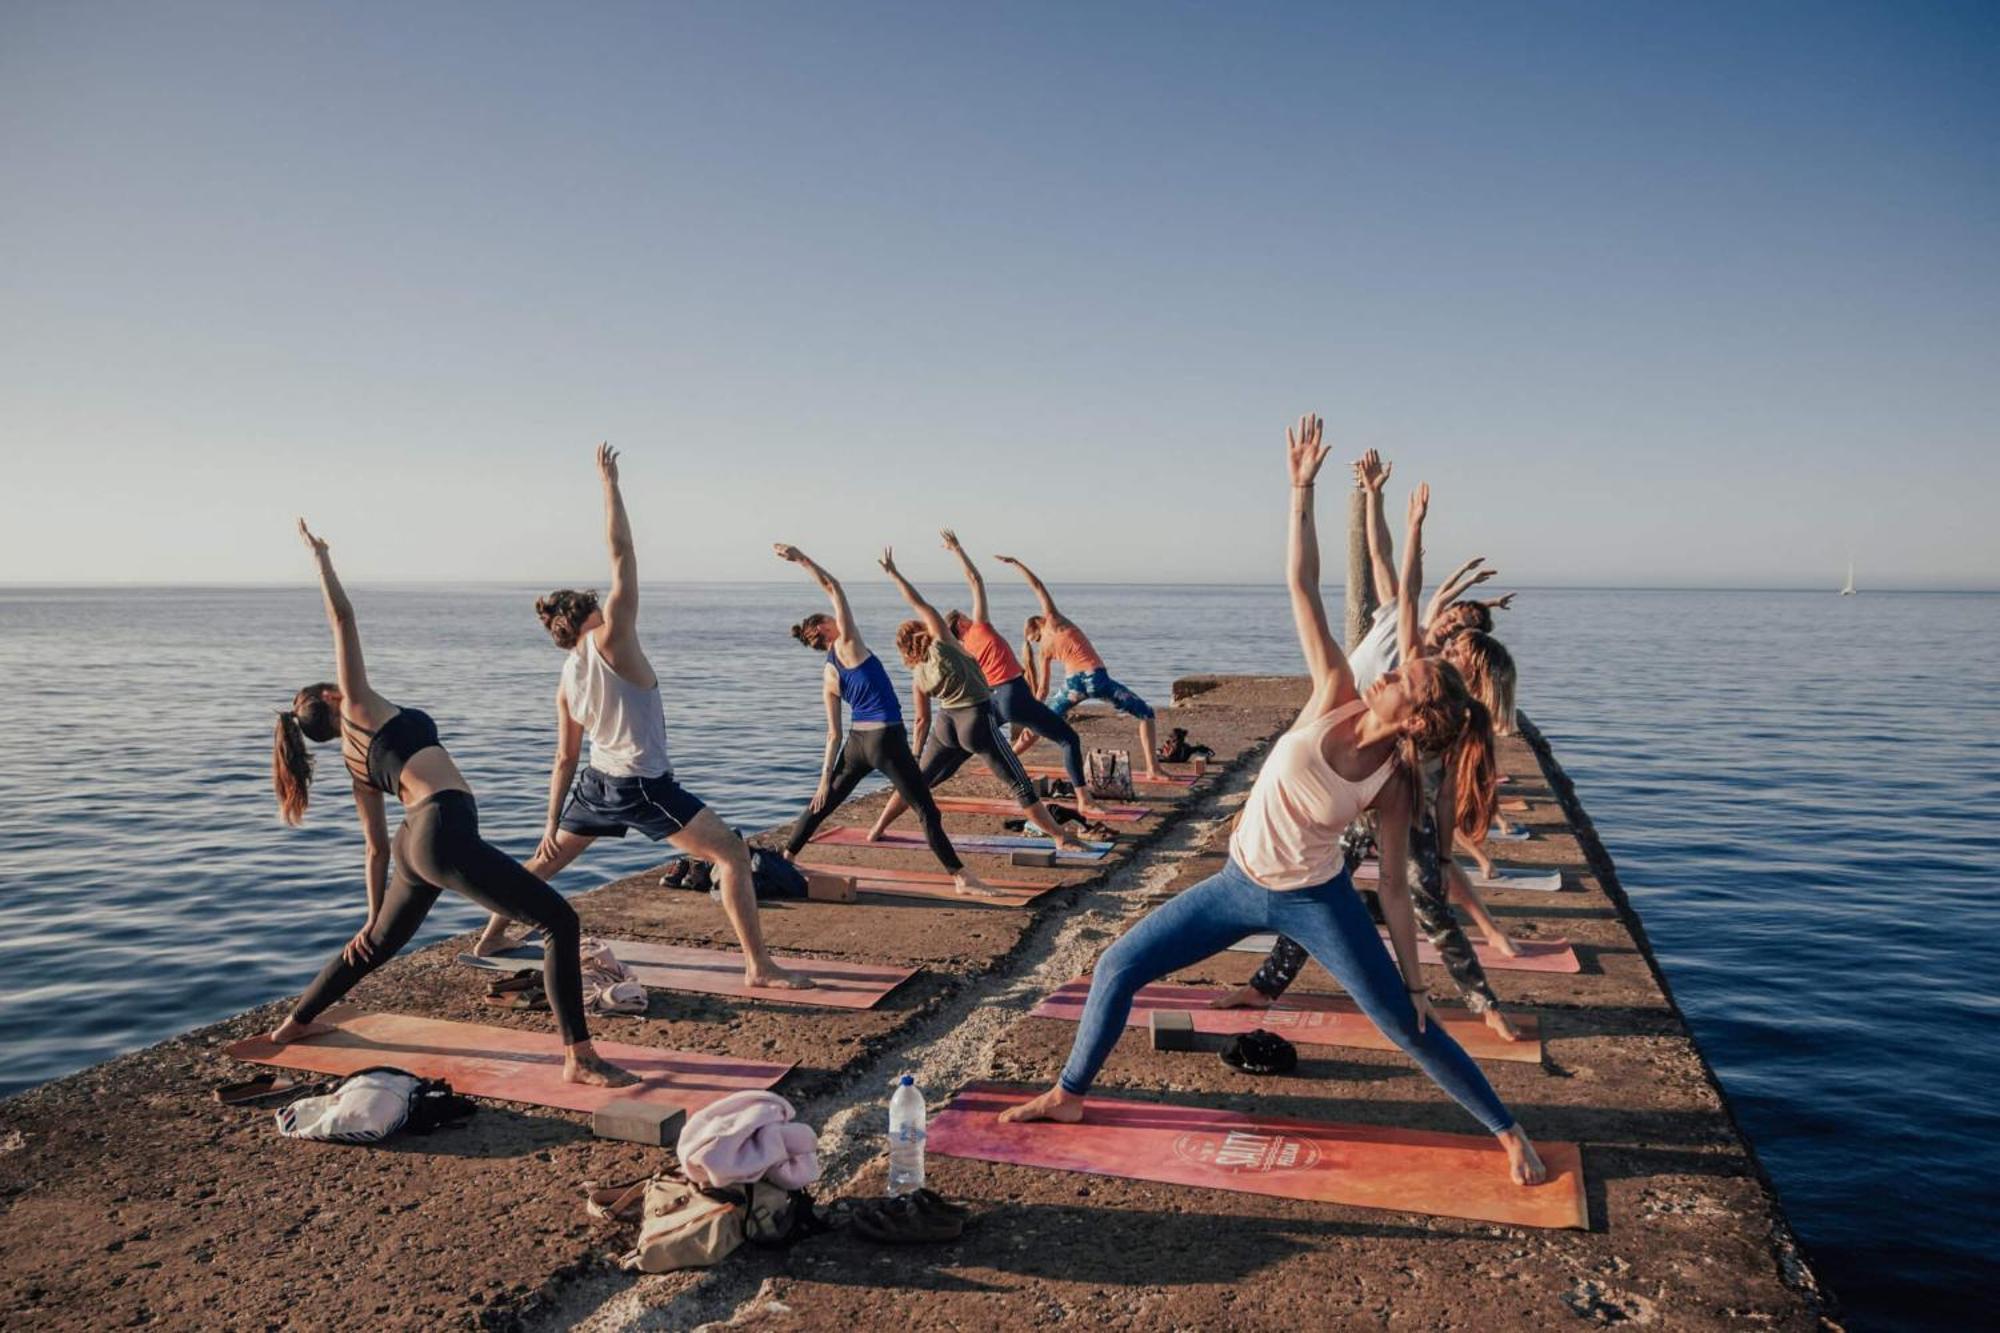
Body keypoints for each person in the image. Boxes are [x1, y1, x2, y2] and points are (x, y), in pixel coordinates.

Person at [999, 417, 1547, 1187]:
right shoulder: (1335, 690)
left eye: (1409, 677)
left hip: (1313, 901)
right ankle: (1068, 1094)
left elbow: (1393, 887)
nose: (1395, 668)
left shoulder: (1393, 778)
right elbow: (1302, 586)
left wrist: (1419, 982)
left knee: (1405, 1023)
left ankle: (1507, 1127)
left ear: (1414, 717)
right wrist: (1300, 490)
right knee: (1119, 962)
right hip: (1234, 883)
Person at [268, 520, 637, 1086]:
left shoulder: (354, 763)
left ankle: (292, 1025)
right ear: (329, 697)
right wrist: (321, 561)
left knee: (371, 947)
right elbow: (342, 619)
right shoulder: (359, 707)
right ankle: (578, 1057)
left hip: (415, 845)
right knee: (559, 920)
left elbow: (375, 848)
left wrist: (373, 916)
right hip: (442, 829)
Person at [471, 446, 809, 990]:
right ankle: (758, 965)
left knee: (548, 861)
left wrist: (551, 822)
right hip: (640, 783)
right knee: (731, 854)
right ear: (589, 617)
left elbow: (565, 757)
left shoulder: (567, 677)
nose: (607, 604)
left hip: (597, 783)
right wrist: (611, 484)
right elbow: (622, 552)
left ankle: (491, 934)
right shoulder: (612, 640)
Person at [1216, 449, 1525, 1035]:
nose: (1447, 640)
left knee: (1428, 906)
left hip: (1398, 801)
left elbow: (1441, 791)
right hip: (1363, 784)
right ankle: (1268, 984)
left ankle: (1479, 1003)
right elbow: (1402, 589)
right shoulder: (1412, 662)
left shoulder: (1442, 710)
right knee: (1320, 892)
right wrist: (1404, 523)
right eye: (1452, 634)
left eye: (1459, 642)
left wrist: (1438, 852)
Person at [774, 544, 992, 895]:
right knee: (925, 810)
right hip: (886, 741)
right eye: (830, 618)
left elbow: (833, 734)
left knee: (824, 802)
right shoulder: (847, 643)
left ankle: (786, 855)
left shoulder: (829, 671)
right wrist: (800, 558)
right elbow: (834, 587)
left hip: (857, 745)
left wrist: (823, 778)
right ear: (824, 627)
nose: (836, 619)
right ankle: (960, 877)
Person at [862, 547, 1090, 850]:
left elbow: (921, 719)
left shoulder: (918, 672)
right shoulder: (945, 643)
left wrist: (916, 753)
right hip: (975, 721)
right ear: (926, 631)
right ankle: (1061, 837)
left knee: (917, 780)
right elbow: (919, 603)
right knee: (1018, 783)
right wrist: (895, 573)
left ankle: (877, 828)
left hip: (945, 726)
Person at [934, 528, 1104, 817]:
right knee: (1068, 739)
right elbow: (975, 580)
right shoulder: (979, 628)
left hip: (992, 700)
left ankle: (923, 784)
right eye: (964, 615)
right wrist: (957, 550)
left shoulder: (963, 649)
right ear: (962, 623)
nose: (968, 615)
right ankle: (1084, 800)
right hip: (1012, 693)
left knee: (963, 749)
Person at [993, 553, 1162, 781]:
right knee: (1146, 714)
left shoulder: (1044, 649)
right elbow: (1037, 586)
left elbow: (1042, 691)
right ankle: (1153, 769)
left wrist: (1032, 710)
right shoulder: (1053, 620)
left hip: (1073, 685)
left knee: (1040, 723)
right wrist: (1016, 564)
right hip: (1096, 678)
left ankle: (1006, 759)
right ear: (1040, 622)